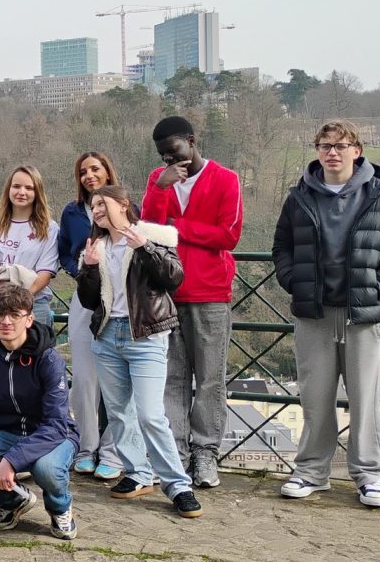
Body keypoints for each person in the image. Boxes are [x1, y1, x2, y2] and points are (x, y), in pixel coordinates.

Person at [273, 120, 380, 509]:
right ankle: (311, 472)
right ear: (317, 150)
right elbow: (282, 246)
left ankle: (369, 476)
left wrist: (379, 283)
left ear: (357, 149)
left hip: (362, 314)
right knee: (315, 397)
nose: (331, 152)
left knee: (365, 397)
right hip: (313, 312)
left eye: (341, 145)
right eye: (324, 145)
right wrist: (293, 280)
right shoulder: (299, 196)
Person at [77, 185, 202, 518]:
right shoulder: (95, 247)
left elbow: (174, 277)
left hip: (145, 337)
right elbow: (89, 301)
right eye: (93, 207)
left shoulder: (152, 236)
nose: (97, 210)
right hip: (106, 337)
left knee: (150, 414)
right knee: (118, 412)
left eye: (102, 204)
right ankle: (137, 473)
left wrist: (145, 247)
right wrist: (89, 268)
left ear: (123, 204)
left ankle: (178, 485)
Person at [143, 115, 245, 490]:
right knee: (171, 379)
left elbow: (228, 235)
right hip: (167, 294)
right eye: (163, 155)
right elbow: (149, 232)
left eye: (175, 151)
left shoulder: (226, 179)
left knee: (210, 380)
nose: (170, 160)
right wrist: (158, 191)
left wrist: (178, 228)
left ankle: (205, 453)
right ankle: (176, 456)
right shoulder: (160, 180)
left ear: (191, 140)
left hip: (210, 293)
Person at [0, 283, 79, 539]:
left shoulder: (48, 359)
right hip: (10, 432)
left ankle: (60, 507)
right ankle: (14, 501)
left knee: (46, 469)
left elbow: (56, 423)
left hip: (55, 435)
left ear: (29, 319)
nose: (6, 321)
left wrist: (11, 460)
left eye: (15, 315)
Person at [55, 152, 123, 480]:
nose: (89, 175)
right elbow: (64, 252)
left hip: (118, 302)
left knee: (115, 379)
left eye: (95, 169)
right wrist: (81, 269)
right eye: (83, 171)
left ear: (107, 171)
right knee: (83, 378)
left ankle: (112, 451)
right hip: (85, 299)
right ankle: (86, 447)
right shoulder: (71, 212)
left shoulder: (123, 205)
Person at [0, 166, 60, 326]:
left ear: (37, 192)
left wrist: (21, 299)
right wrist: (1, 295)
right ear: (8, 189)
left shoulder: (49, 229)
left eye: (29, 188)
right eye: (16, 186)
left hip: (34, 304)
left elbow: (45, 273)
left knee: (34, 352)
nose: (21, 192)